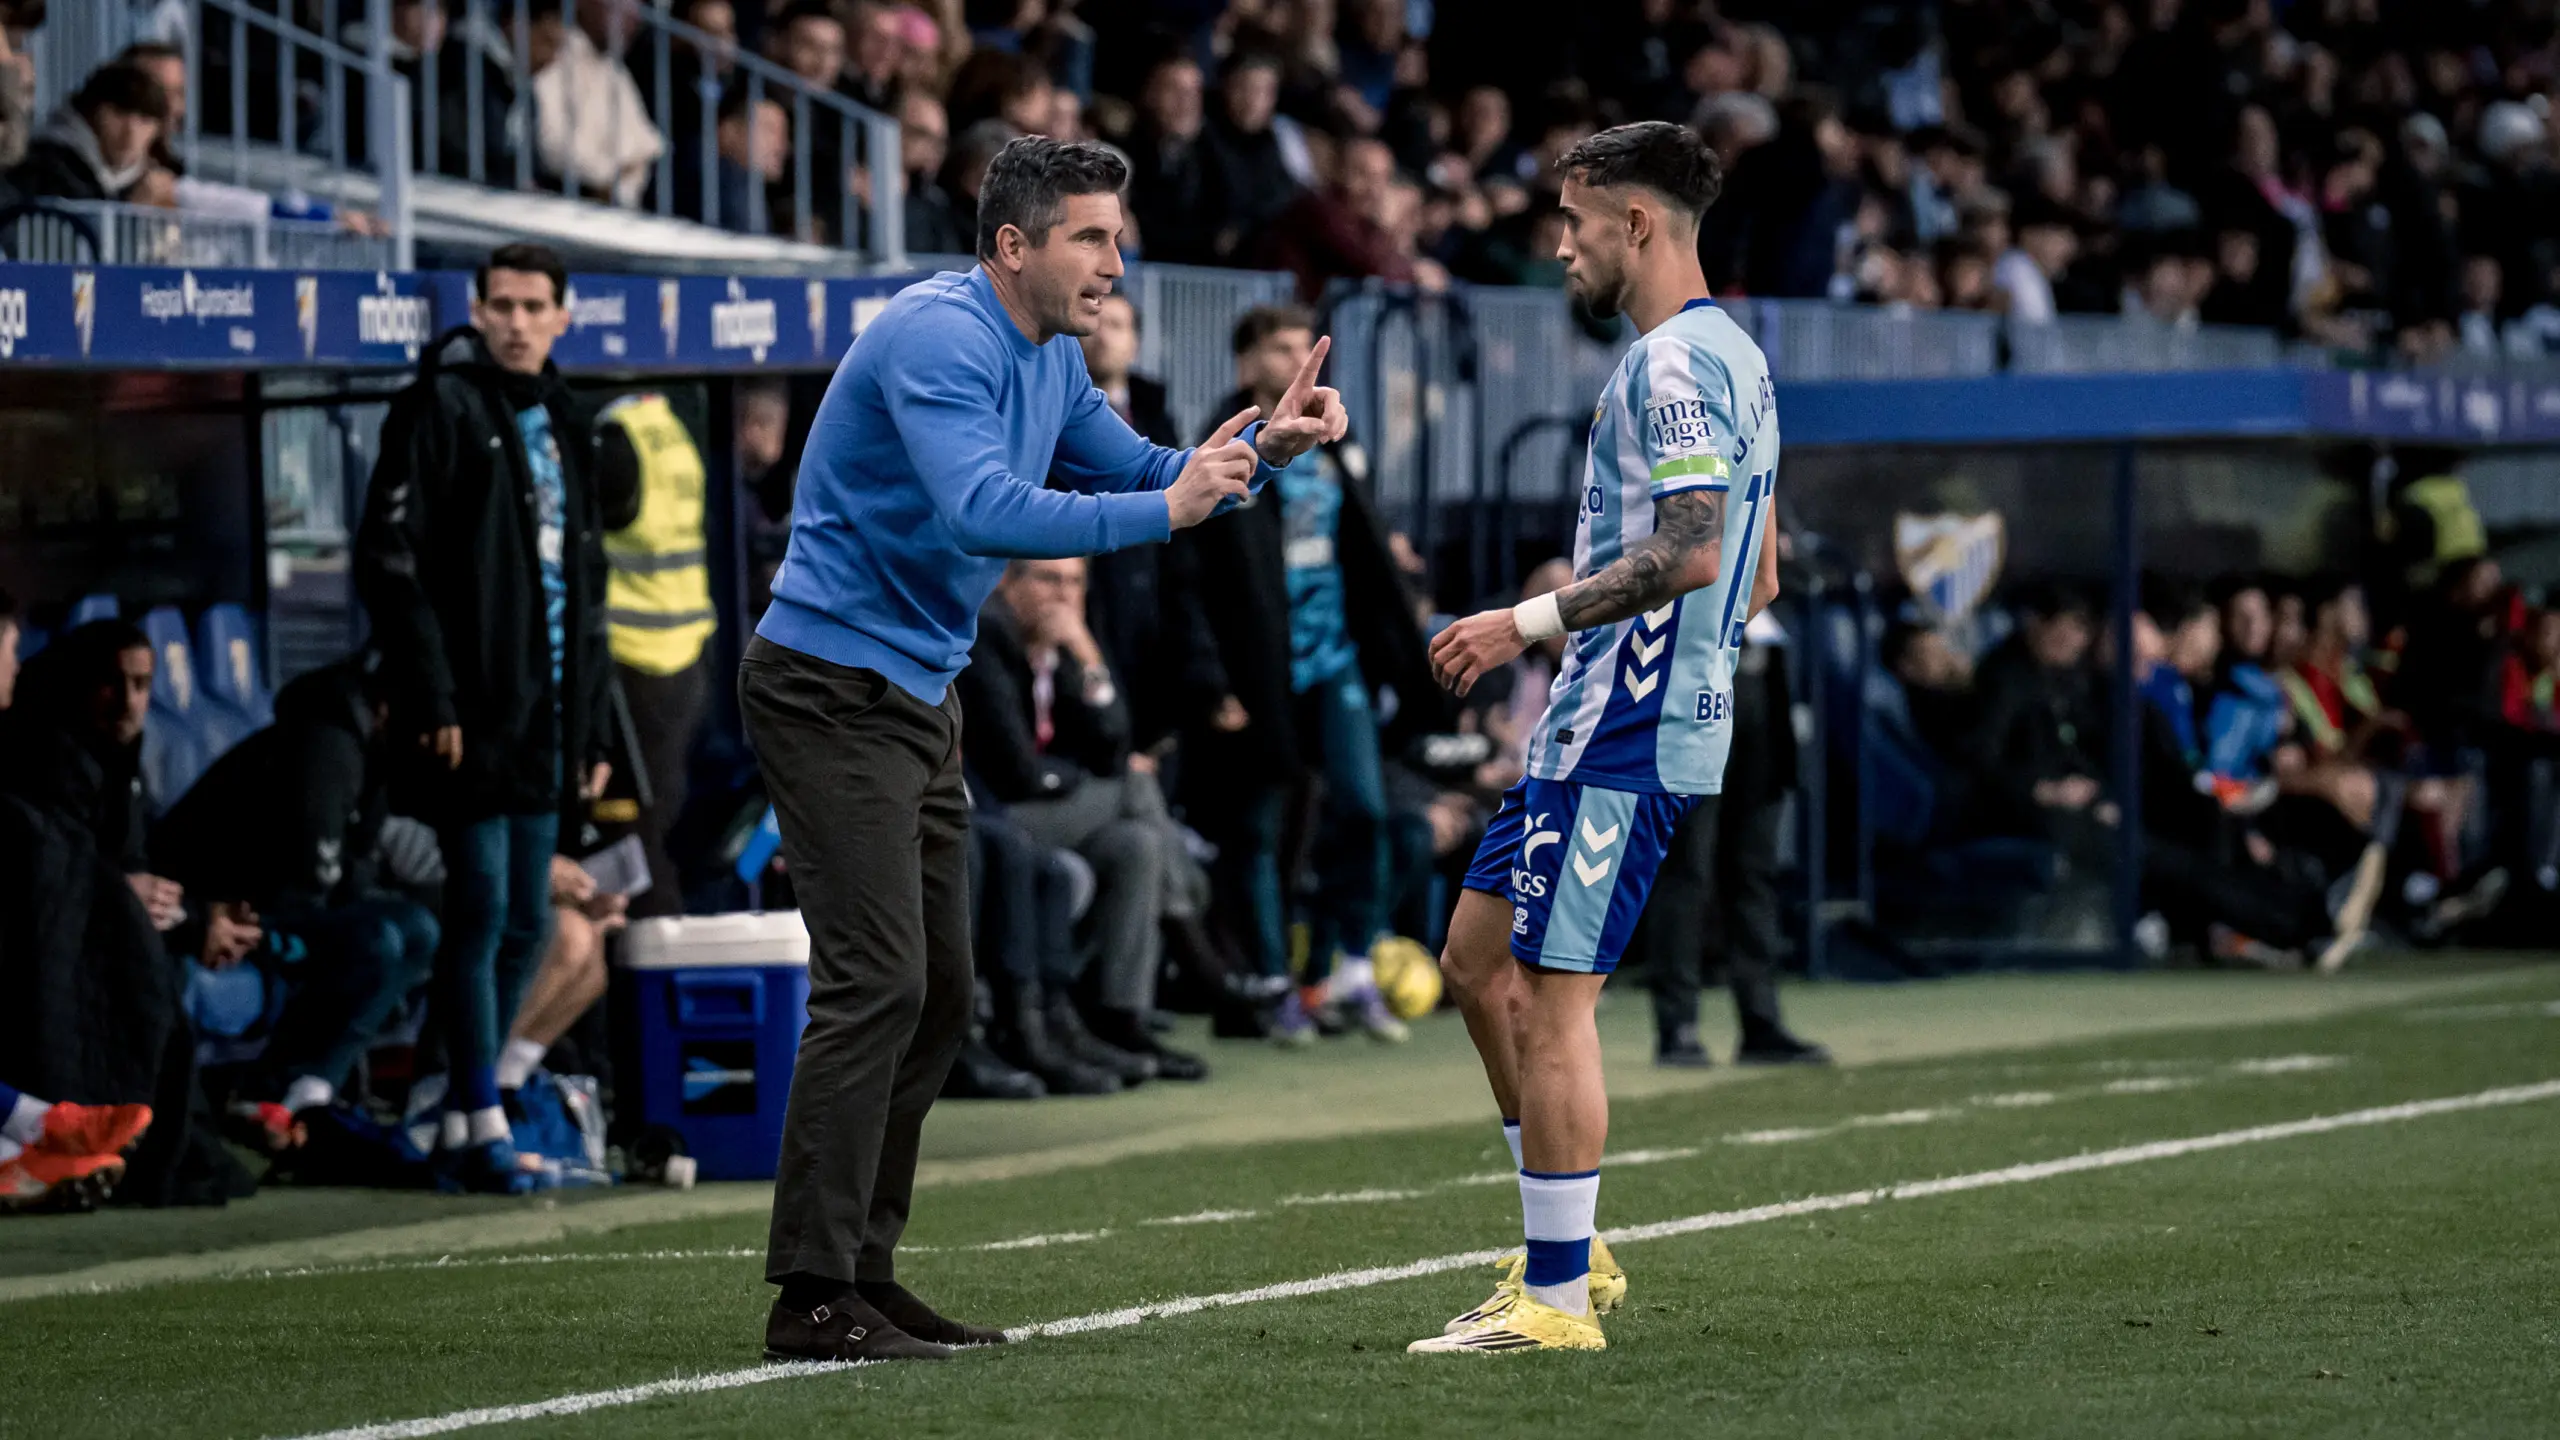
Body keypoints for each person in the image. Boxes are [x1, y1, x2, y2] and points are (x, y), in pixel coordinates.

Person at [739, 135, 1346, 1365]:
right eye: (1092, 237)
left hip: (917, 693)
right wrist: (1169, 504)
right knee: (879, 984)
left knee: (942, 991)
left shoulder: (1049, 355)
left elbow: (1147, 471)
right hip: (826, 687)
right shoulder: (940, 337)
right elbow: (982, 509)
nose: (1115, 263)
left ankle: (862, 1270)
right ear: (1013, 244)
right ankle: (808, 1293)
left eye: (1116, 238)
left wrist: (1253, 458)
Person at [1414, 121, 1778, 1355]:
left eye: (1573, 223)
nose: (1559, 247)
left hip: (1624, 728)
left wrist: (1518, 622)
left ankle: (1557, 1298)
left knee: (1551, 1002)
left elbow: (1694, 551)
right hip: (1600, 722)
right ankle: (1561, 1239)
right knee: (1472, 964)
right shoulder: (1740, 357)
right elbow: (1761, 571)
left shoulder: (1670, 367)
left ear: (1636, 224)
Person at [354, 242, 619, 1195]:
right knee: (479, 914)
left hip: (547, 715)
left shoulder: (565, 417)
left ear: (562, 316)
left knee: (524, 923)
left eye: (532, 305)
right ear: (474, 308)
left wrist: (590, 731)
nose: (513, 320)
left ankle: (466, 1104)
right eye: (498, 304)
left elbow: (588, 593)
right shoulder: (437, 406)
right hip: (471, 713)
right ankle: (473, 1112)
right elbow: (391, 563)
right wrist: (432, 697)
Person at [1177, 303, 1437, 1044]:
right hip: (1258, 670)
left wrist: (1402, 638)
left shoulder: (1329, 440)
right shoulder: (1221, 443)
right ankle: (1272, 981)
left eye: (1305, 343)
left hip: (1334, 659)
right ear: (1246, 361)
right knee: (1257, 830)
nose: (1299, 357)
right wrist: (1210, 679)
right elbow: (1190, 575)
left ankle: (1349, 966)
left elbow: (1367, 553)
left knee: (1366, 810)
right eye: (1282, 346)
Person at [147, 658, 441, 1120]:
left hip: (285, 906)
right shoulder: (326, 743)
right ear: (388, 705)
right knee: (377, 941)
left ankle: (314, 1085)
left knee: (417, 927)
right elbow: (306, 882)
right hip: (225, 906)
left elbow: (354, 872)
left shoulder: (375, 753)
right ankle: (273, 1084)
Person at [957, 558, 1203, 1083]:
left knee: (1134, 844)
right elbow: (1015, 770)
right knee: (1135, 788)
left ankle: (1119, 1017)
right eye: (1048, 580)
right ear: (1008, 581)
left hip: (1047, 813)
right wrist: (1075, 776)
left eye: (1074, 583)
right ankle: (1195, 941)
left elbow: (1115, 740)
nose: (1062, 597)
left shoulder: (1065, 648)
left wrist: (1087, 654)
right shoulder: (989, 633)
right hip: (996, 813)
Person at [1629, 604, 1829, 1067]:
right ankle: (1677, 1024)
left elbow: (1785, 580)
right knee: (1687, 874)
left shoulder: (1765, 549)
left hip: (1759, 711)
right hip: (1692, 713)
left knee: (1753, 875)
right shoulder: (1689, 536)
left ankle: (1760, 1021)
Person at [592, 392, 716, 919]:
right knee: (654, 822)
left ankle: (640, 979)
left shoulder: (616, 440)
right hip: (685, 656)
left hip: (633, 661)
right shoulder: (670, 430)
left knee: (626, 833)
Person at [6, 57, 163, 201]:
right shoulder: (45, 163)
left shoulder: (152, 182)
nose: (131, 132)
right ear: (92, 112)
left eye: (145, 120)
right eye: (119, 114)